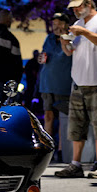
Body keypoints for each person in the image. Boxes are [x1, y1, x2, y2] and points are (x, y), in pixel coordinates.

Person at [54, 0, 97, 179]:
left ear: (89, 3)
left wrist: (85, 32)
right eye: (73, 7)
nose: (76, 10)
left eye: (79, 6)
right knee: (76, 127)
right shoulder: (78, 25)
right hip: (79, 83)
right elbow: (70, 51)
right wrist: (64, 41)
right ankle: (75, 164)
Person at [39, 12, 73, 162]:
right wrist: (41, 58)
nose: (56, 27)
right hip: (47, 83)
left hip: (64, 84)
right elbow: (44, 54)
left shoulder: (72, 37)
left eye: (59, 23)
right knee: (48, 116)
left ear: (66, 24)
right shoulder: (49, 38)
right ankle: (48, 150)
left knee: (63, 119)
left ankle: (61, 151)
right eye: (54, 24)